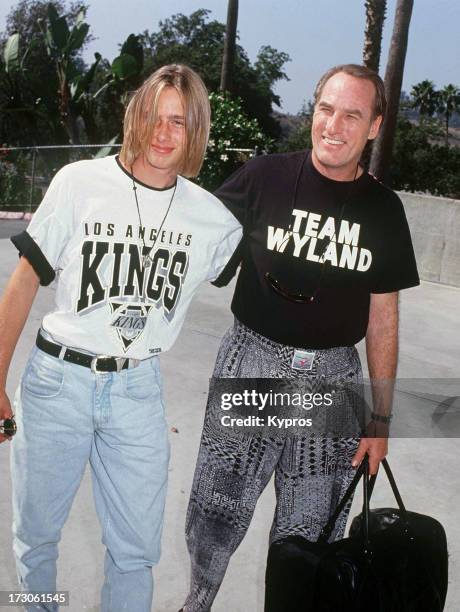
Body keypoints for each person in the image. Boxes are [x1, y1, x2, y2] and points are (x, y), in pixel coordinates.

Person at [0, 64, 241, 612]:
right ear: (134, 118)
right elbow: (20, 286)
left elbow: (266, 287)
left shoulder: (211, 221)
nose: (163, 133)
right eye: (153, 117)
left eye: (177, 122)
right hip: (58, 380)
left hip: (137, 393)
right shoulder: (79, 183)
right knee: (36, 538)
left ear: (195, 130)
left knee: (135, 550)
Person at [180, 64, 419, 611]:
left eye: (352, 115)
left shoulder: (384, 211)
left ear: (375, 126)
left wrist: (380, 419)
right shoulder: (261, 176)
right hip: (253, 363)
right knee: (215, 513)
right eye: (325, 109)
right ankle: (195, 603)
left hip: (333, 380)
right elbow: (190, 239)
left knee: (310, 533)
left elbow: (384, 317)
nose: (334, 125)